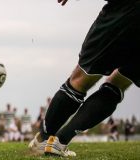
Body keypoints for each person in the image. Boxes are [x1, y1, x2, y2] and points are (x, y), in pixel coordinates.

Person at [29, 0, 140, 157]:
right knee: (118, 83)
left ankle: (44, 139)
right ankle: (60, 142)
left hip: (126, 9)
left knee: (80, 79)